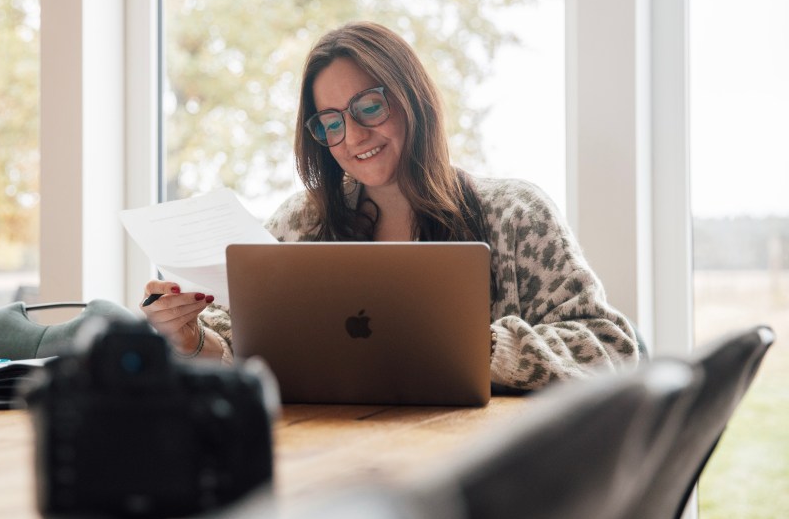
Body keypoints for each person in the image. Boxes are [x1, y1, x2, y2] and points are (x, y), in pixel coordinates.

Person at [141, 21, 639, 390]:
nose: (354, 135)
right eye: (331, 121)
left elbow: (610, 349)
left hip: (478, 473)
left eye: (369, 107)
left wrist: (478, 347)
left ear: (411, 99)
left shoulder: (516, 216)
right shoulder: (304, 222)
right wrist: (190, 337)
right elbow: (239, 344)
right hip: (338, 460)